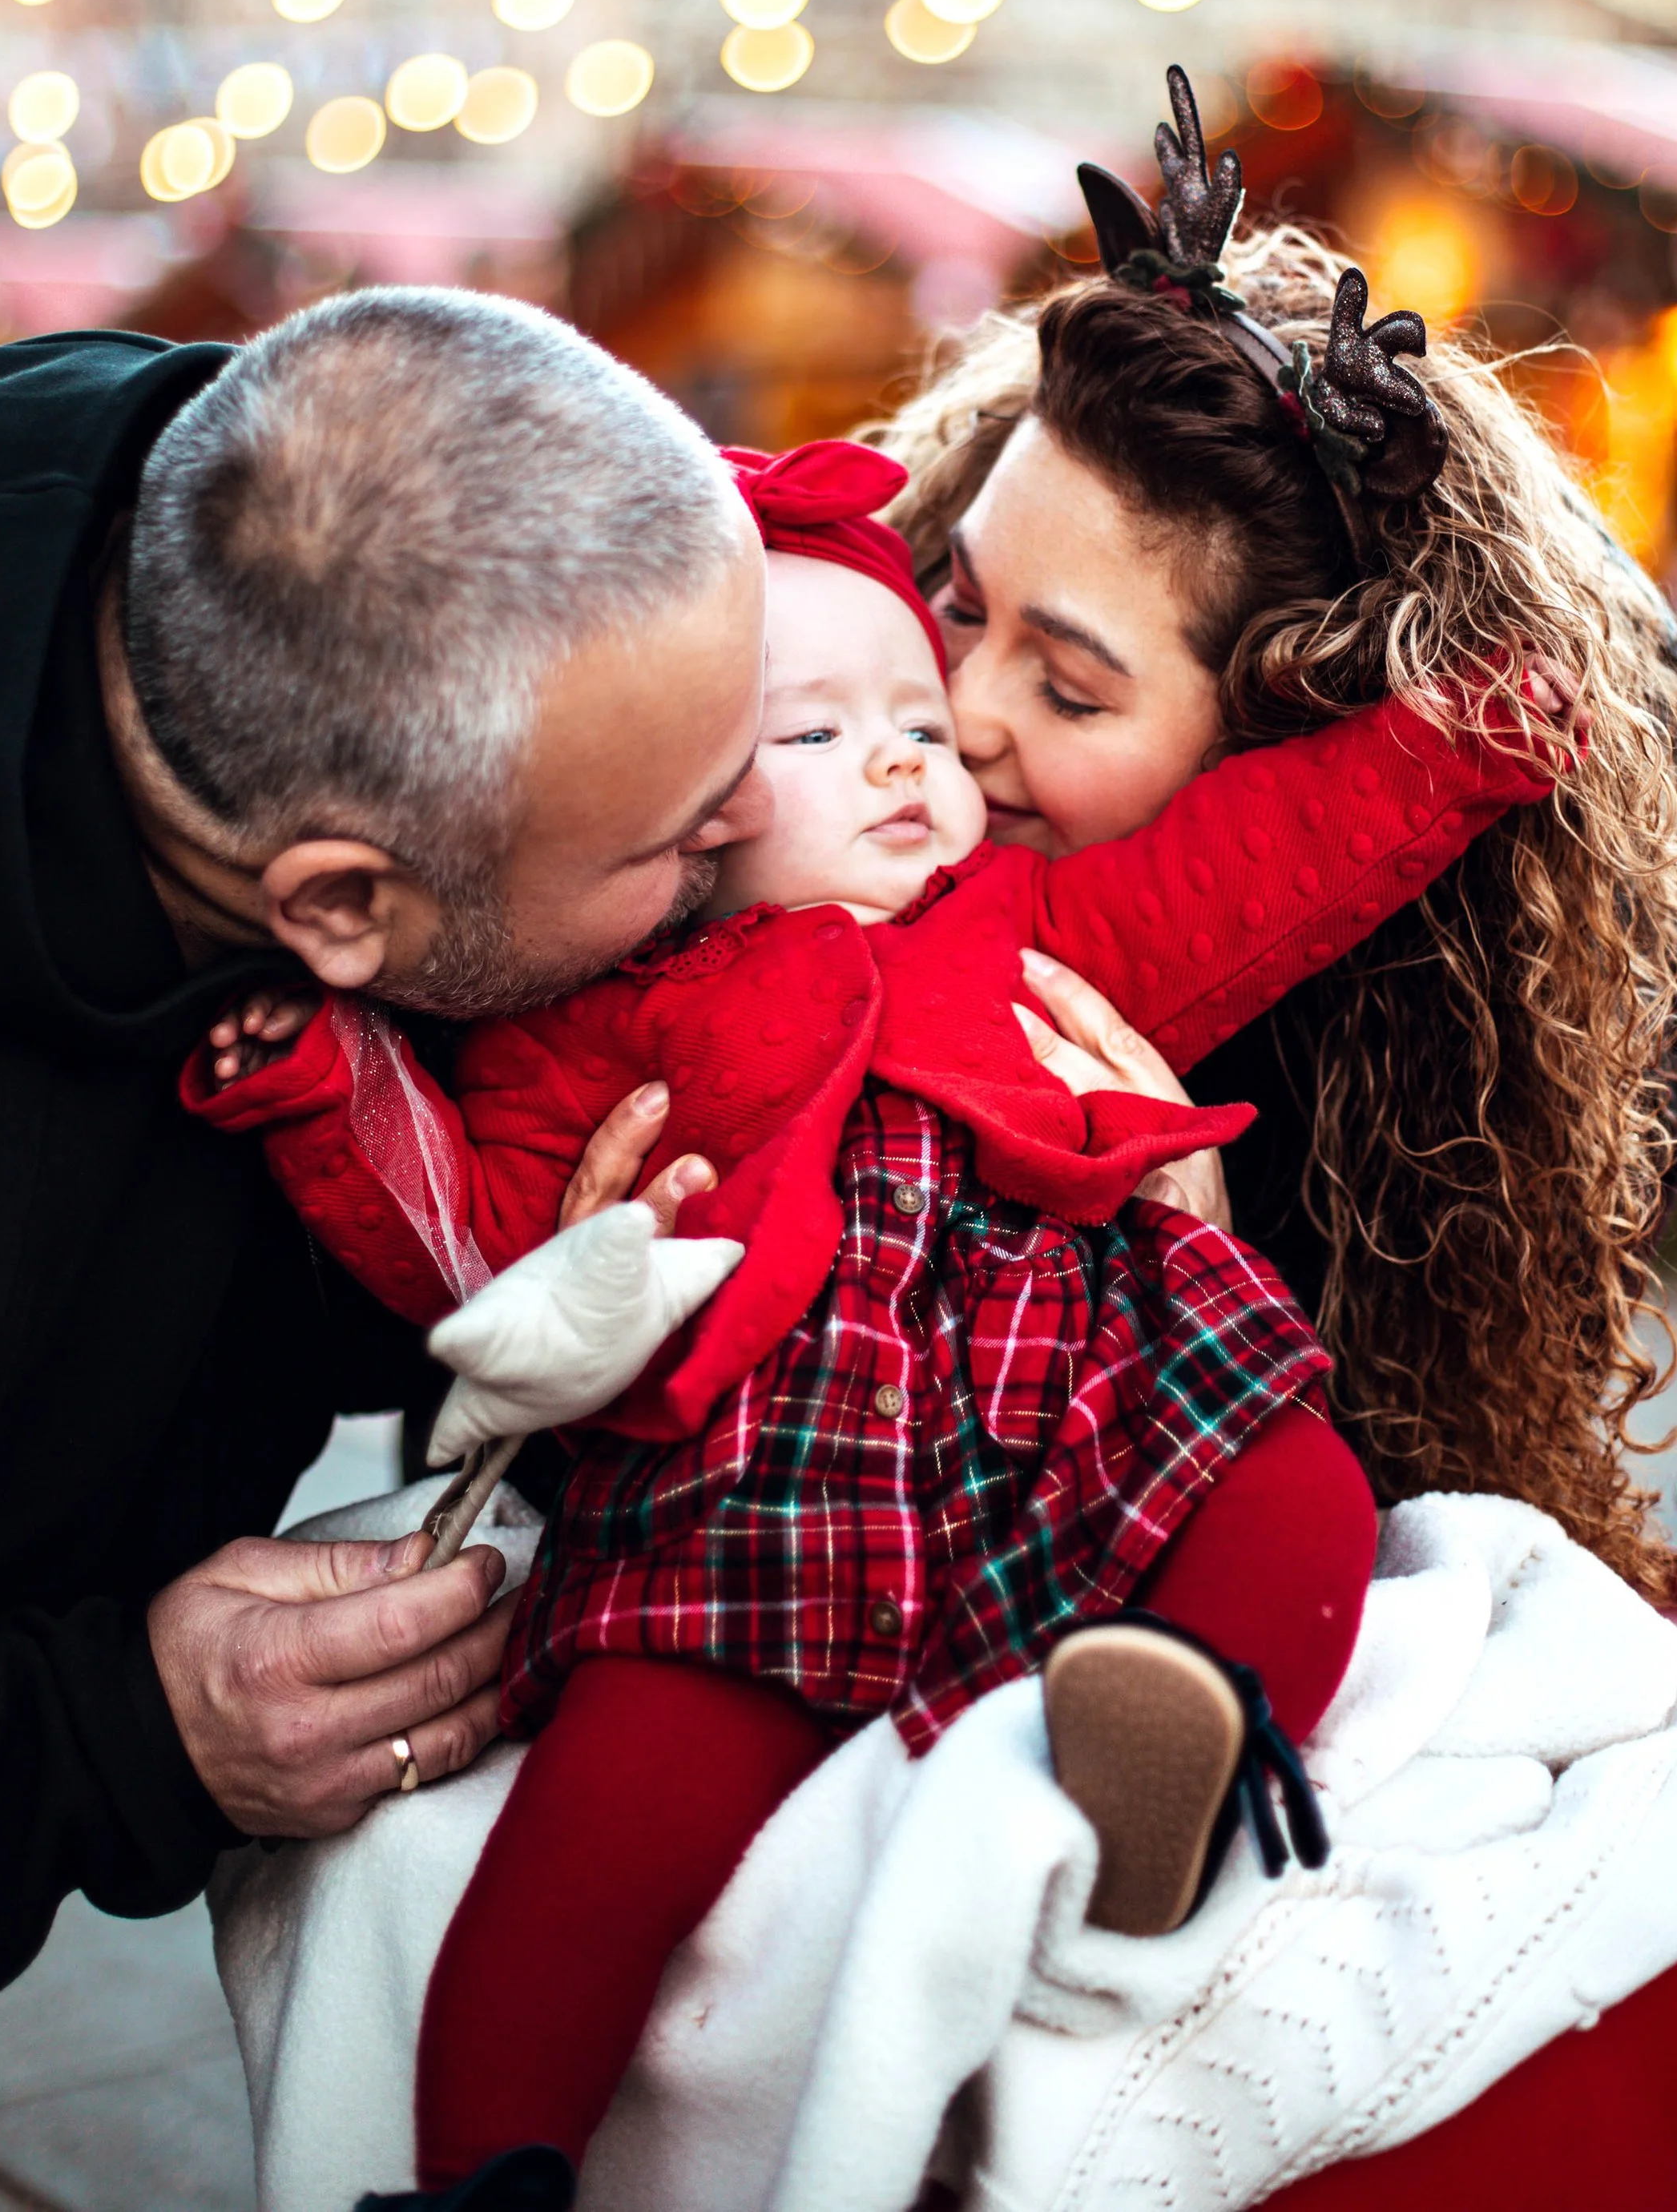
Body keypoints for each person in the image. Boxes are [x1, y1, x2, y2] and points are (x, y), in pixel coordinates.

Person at [195, 410, 1554, 2194]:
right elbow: (456, 1215)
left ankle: (1180, 1761)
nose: (918, 758)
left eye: (917, 720)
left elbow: (1256, 862)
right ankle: (485, 2162)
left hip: (1069, 1394)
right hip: (781, 1457)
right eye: (820, 733)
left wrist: (1459, 748)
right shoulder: (613, 1011)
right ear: (674, 807)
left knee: (1288, 1484)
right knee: (613, 1806)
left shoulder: (1028, 925)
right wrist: (316, 1093)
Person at [0, 287, 779, 2073]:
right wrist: (121, 1736)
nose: (751, 830)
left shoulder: (300, 526)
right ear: (337, 910)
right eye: (677, 839)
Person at [880, 71, 1677, 1584]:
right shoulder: (839, 770)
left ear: (1286, 744)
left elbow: (1322, 1559)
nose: (955, 706)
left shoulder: (1473, 1073)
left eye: (1071, 692)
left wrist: (1188, 1298)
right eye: (959, 601)